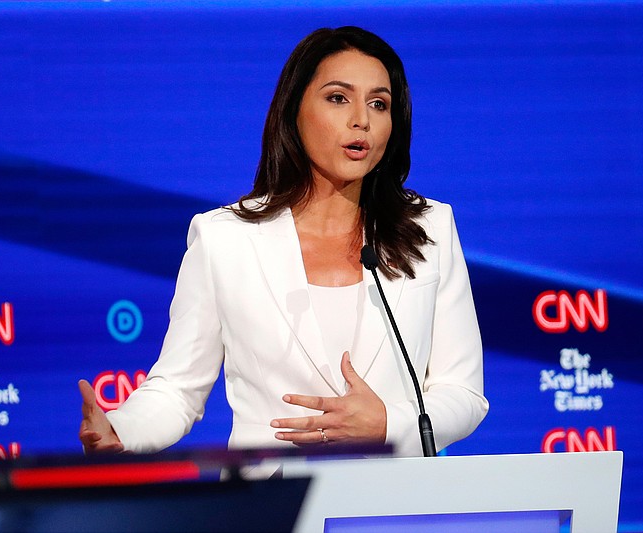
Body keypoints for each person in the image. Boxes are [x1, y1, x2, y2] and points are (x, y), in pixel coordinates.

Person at [79, 26, 488, 458]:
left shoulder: (430, 228)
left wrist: (389, 423)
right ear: (294, 110)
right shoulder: (225, 238)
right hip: (275, 506)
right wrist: (121, 430)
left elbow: (462, 393)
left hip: (395, 511)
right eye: (337, 98)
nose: (361, 120)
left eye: (378, 103)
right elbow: (178, 389)